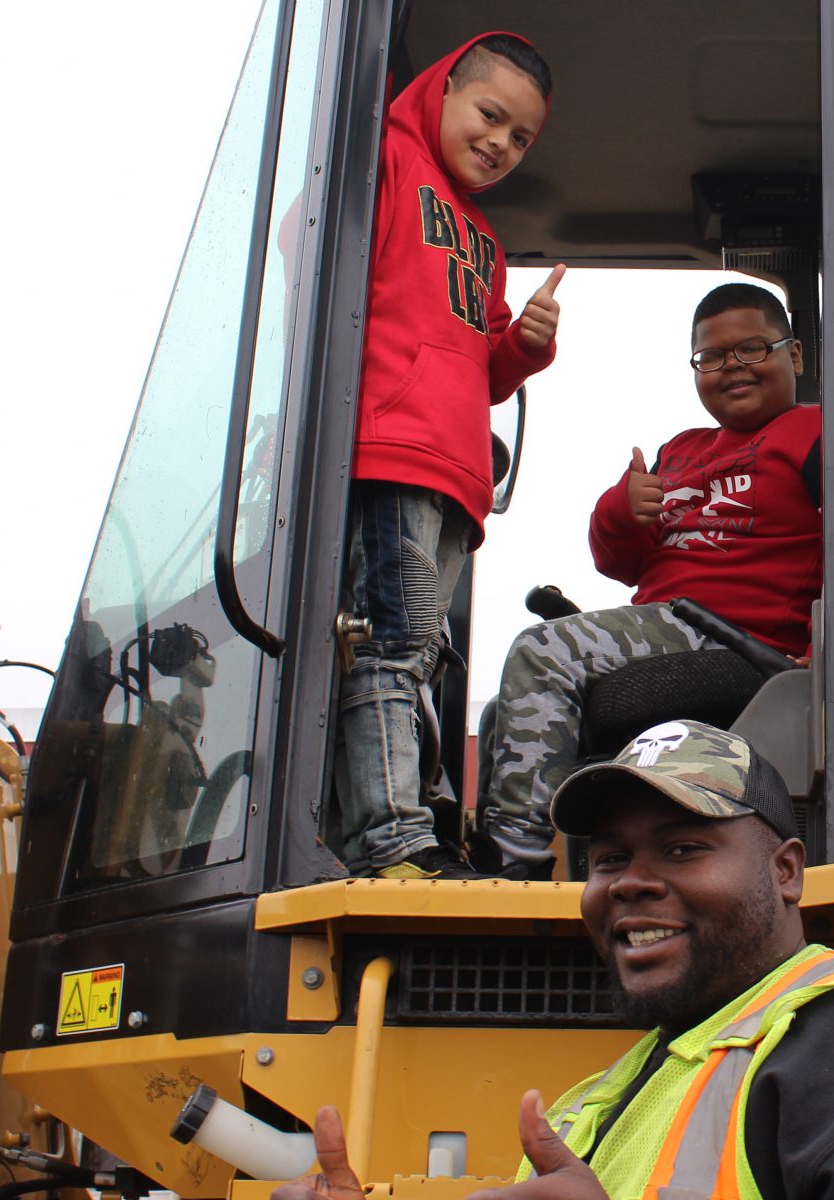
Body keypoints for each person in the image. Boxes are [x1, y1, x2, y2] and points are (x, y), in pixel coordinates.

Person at [276, 722, 834, 1199]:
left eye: (684, 848)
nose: (630, 883)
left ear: (786, 872)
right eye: (609, 858)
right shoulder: (618, 1093)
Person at [476, 283, 822, 879]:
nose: (731, 368)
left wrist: (821, 658)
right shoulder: (681, 451)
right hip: (668, 624)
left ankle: (517, 866)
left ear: (793, 355)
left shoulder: (816, 434)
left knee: (541, 652)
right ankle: (527, 844)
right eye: (711, 358)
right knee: (499, 712)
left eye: (752, 350)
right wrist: (621, 510)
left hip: (738, 637)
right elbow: (620, 563)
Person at [337, 31, 565, 880]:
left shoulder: (484, 242)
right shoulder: (385, 162)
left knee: (421, 653)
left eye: (521, 138)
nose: (501, 144)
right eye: (491, 116)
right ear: (439, 95)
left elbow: (487, 369)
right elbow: (311, 241)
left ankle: (418, 818)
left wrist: (526, 345)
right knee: (393, 642)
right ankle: (392, 839)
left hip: (457, 475)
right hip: (392, 454)